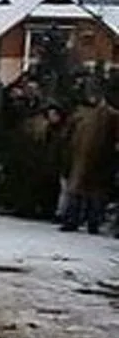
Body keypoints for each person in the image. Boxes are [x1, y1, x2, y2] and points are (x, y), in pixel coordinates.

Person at [60, 90, 119, 234]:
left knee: (90, 191)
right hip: (85, 156)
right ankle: (78, 220)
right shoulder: (82, 114)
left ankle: (86, 221)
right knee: (83, 190)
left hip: (96, 157)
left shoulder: (109, 115)